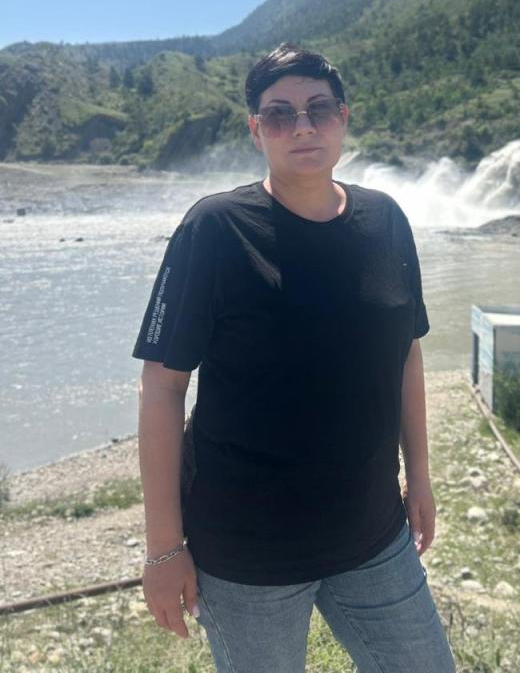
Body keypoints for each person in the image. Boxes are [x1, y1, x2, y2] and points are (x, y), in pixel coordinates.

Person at [132, 43, 456, 673]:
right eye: (280, 114)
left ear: (344, 118)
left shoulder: (386, 220)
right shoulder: (216, 229)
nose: (303, 127)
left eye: (319, 109)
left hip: (374, 534)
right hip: (247, 556)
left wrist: (419, 476)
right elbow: (162, 387)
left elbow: (406, 356)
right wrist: (164, 547)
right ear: (256, 130)